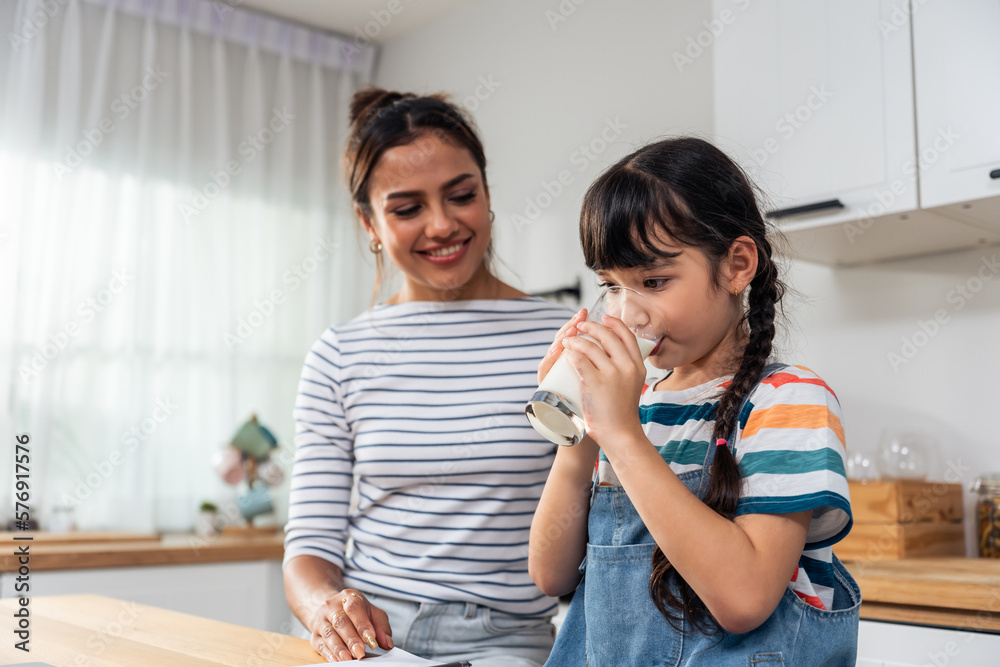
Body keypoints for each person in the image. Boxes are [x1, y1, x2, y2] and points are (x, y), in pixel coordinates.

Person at [529, 137, 860, 665]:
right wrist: (580, 432)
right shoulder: (629, 409)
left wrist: (622, 436)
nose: (626, 313)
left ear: (736, 265)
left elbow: (744, 600)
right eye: (611, 287)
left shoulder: (788, 400)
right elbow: (551, 574)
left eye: (653, 281)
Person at [282, 87, 573, 665]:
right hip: (366, 642)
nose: (441, 225)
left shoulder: (563, 338)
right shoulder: (339, 354)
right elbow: (309, 550)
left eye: (460, 195)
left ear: (487, 194)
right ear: (369, 222)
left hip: (506, 641)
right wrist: (327, 610)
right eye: (407, 208)